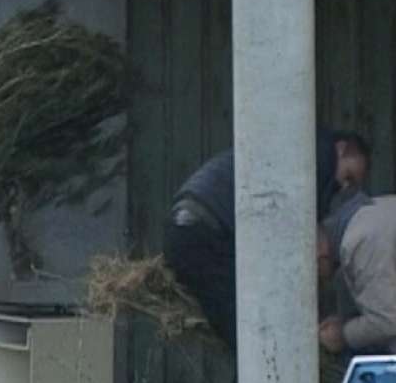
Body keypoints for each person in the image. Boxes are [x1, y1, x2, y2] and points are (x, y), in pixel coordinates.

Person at [163, 128, 370, 351]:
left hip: (188, 224)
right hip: (205, 232)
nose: (344, 187)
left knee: (242, 328)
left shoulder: (292, 150)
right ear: (341, 149)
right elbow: (302, 234)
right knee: (250, 335)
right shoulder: (318, 159)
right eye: (348, 177)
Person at [318, 193, 396, 355]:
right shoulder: (366, 216)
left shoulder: (359, 242)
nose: (322, 280)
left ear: (320, 255)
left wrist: (343, 334)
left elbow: (387, 320)